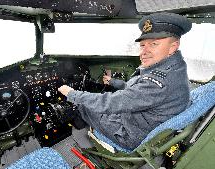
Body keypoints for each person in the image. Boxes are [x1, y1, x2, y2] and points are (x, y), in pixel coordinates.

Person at [58, 12, 192, 150]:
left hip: (128, 134)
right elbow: (135, 92)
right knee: (90, 102)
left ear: (173, 47)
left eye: (154, 44)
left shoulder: (159, 81)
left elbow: (109, 103)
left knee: (81, 106)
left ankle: (82, 143)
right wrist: (112, 82)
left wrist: (72, 94)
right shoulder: (174, 68)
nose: (143, 52)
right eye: (142, 45)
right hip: (138, 122)